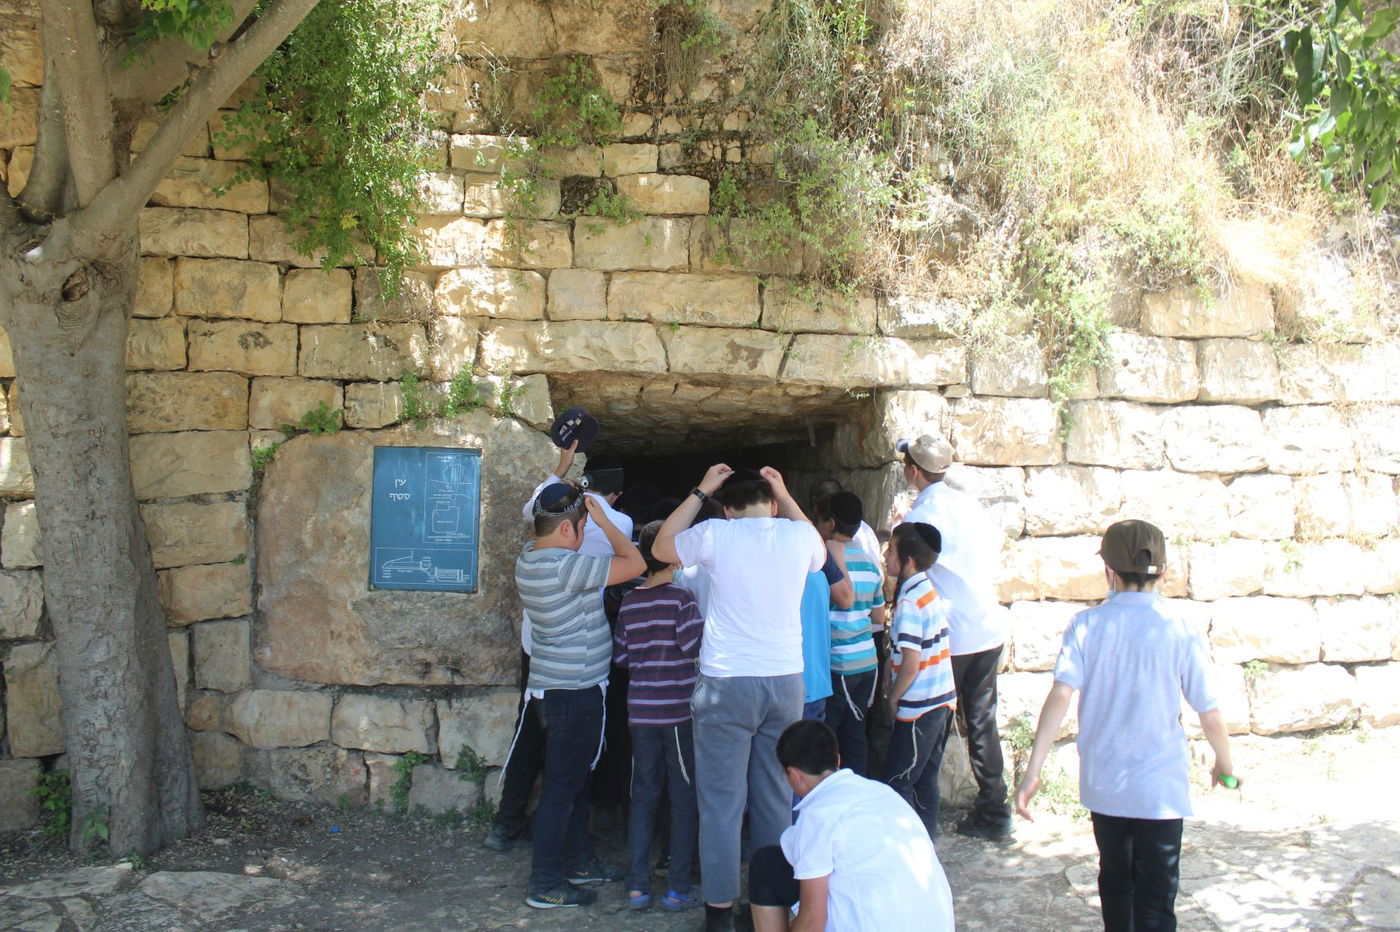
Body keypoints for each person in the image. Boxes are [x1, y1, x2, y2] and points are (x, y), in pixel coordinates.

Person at [1016, 520, 1236, 932]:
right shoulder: (1180, 630)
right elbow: (1209, 710)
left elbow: (1060, 697)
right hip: (1161, 790)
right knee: (1157, 899)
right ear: (1165, 574)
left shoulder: (1086, 625)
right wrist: (1225, 763)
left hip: (1107, 786)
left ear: (1109, 572)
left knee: (1115, 883)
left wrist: (1033, 772)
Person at [653, 465, 827, 932]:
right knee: (774, 797)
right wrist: (787, 492)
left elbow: (661, 547)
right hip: (785, 679)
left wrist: (700, 488)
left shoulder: (714, 534)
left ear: (727, 510)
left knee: (721, 803)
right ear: (771, 504)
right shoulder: (799, 538)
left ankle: (718, 913)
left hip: (727, 682)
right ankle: (767, 906)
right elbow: (818, 549)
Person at [486, 442, 635, 853]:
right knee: (577, 762)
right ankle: (576, 842)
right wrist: (600, 520)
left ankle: (508, 822)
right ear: (615, 495)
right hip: (578, 671)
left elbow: (534, 508)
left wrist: (560, 469)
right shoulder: (614, 523)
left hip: (539, 652)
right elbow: (634, 562)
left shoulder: (534, 544)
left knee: (529, 738)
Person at [516, 482, 646, 909]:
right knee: (561, 788)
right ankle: (544, 883)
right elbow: (634, 561)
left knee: (570, 783)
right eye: (582, 527)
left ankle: (579, 861)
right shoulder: (566, 568)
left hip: (552, 689)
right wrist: (606, 520)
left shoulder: (529, 559)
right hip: (574, 693)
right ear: (571, 531)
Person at [897, 432, 1012, 839]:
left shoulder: (922, 515)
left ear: (912, 471)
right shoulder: (967, 504)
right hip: (985, 624)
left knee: (932, 722)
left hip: (952, 632)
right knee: (981, 721)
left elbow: (911, 568)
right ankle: (995, 809)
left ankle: (916, 810)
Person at [748, 720, 955, 932]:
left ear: (794, 775)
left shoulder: (818, 815)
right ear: (837, 759)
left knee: (765, 864)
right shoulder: (882, 793)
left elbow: (813, 922)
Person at [613, 521, 705, 913]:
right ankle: (677, 889)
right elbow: (694, 645)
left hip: (641, 715)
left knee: (644, 797)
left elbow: (621, 657)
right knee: (683, 798)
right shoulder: (681, 599)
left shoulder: (630, 602)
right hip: (677, 713)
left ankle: (637, 887)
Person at [882, 522, 957, 840]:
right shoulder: (926, 589)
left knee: (898, 780)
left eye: (891, 549)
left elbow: (911, 664)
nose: (885, 555)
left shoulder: (910, 603)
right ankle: (927, 842)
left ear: (908, 559)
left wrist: (893, 697)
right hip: (941, 700)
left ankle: (904, 847)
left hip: (918, 707)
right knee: (926, 777)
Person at [813, 492, 883, 777]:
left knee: (830, 738)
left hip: (839, 664)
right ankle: (860, 791)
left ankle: (838, 794)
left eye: (817, 520)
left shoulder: (823, 562)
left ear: (830, 523)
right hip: (867, 663)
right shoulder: (869, 562)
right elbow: (878, 617)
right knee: (856, 731)